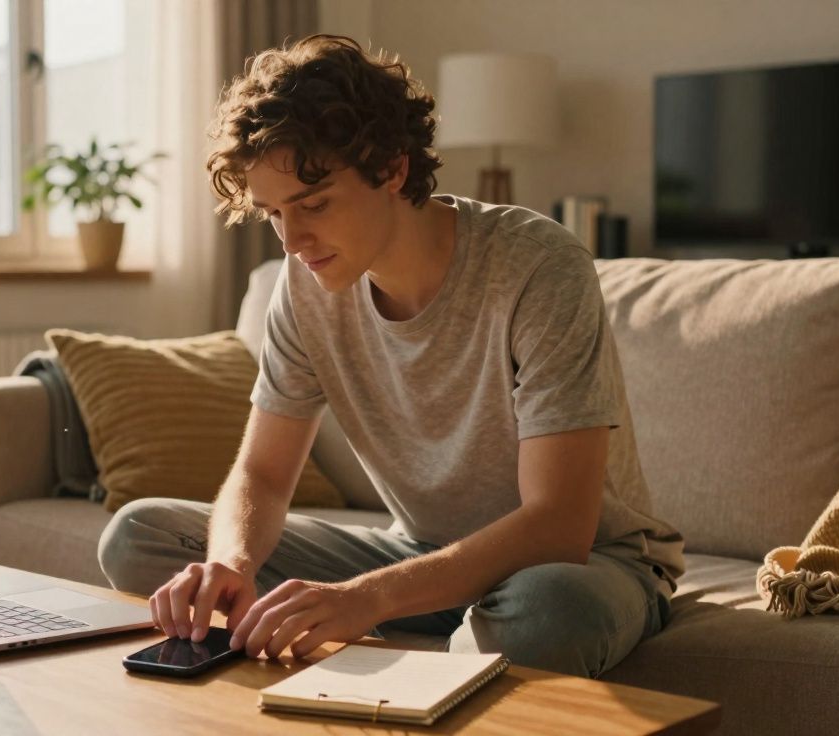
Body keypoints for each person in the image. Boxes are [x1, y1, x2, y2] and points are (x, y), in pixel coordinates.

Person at [97, 34, 684, 678]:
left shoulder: (538, 267)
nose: (293, 240)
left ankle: (445, 651)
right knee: (142, 535)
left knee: (545, 613)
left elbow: (559, 525)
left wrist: (366, 598)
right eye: (272, 214)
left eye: (313, 204)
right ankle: (444, 634)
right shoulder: (303, 289)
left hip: (584, 565)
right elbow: (263, 475)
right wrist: (231, 565)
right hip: (418, 553)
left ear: (393, 168)